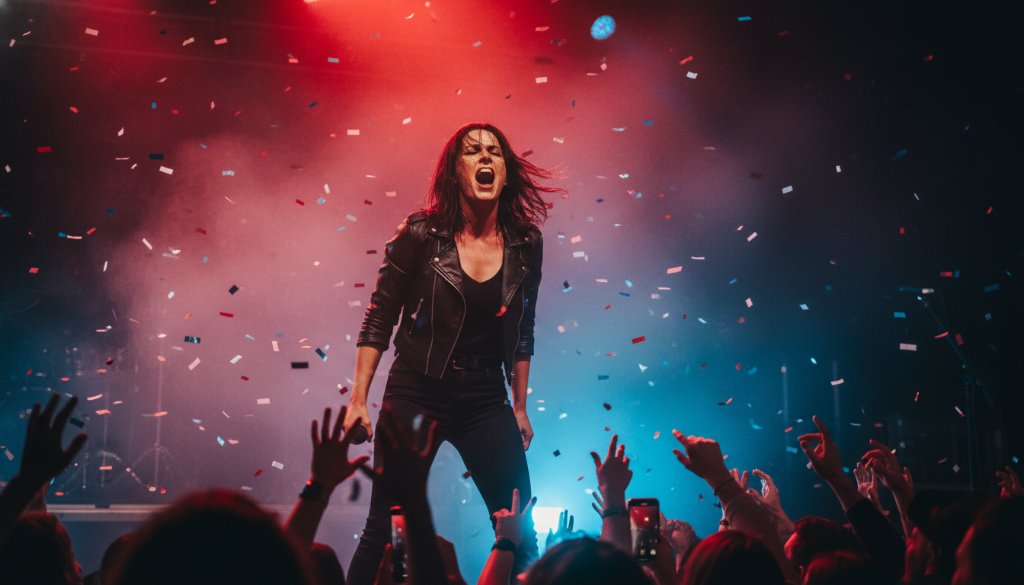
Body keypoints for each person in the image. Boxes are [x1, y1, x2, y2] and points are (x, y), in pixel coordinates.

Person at [343, 123, 559, 584]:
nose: (485, 158)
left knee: (520, 529)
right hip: (417, 390)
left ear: (506, 171)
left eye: (494, 152)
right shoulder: (421, 234)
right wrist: (358, 399)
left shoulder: (526, 243)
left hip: (484, 396)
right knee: (385, 527)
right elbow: (379, 317)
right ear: (454, 171)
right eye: (473, 152)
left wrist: (519, 405)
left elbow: (523, 330)